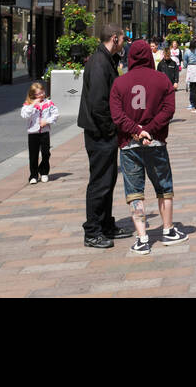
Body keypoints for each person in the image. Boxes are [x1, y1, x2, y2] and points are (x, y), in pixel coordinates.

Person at [110, 39, 186, 255]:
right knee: (163, 187)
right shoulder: (162, 80)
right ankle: (168, 230)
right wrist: (149, 130)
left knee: (135, 193)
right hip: (155, 142)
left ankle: (142, 238)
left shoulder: (120, 83)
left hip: (128, 144)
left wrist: (135, 129)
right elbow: (168, 110)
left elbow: (116, 115)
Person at [77, 24, 130, 248]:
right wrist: (110, 129)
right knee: (100, 182)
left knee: (108, 181)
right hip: (100, 133)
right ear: (115, 38)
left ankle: (106, 224)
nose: (125, 43)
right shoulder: (99, 63)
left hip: (103, 132)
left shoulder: (105, 59)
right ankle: (93, 231)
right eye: (123, 39)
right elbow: (99, 103)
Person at [20, 81, 59, 184]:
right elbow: (24, 115)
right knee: (33, 155)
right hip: (33, 133)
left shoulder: (49, 103)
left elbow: (55, 114)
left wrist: (47, 121)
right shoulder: (28, 104)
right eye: (37, 94)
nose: (40, 95)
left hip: (45, 132)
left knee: (46, 153)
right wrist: (33, 104)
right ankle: (33, 175)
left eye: (42, 93)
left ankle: (44, 172)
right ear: (33, 95)